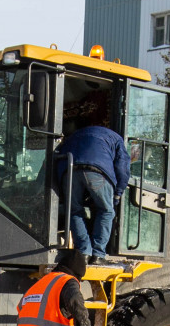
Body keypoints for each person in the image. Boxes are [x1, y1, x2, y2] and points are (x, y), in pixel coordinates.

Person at [55, 102, 129, 259]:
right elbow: (122, 168)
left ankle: (84, 251)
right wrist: (117, 194)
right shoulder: (115, 138)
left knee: (74, 211)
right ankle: (98, 254)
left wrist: (61, 188)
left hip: (69, 170)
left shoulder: (73, 136)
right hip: (97, 173)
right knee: (106, 210)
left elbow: (56, 160)